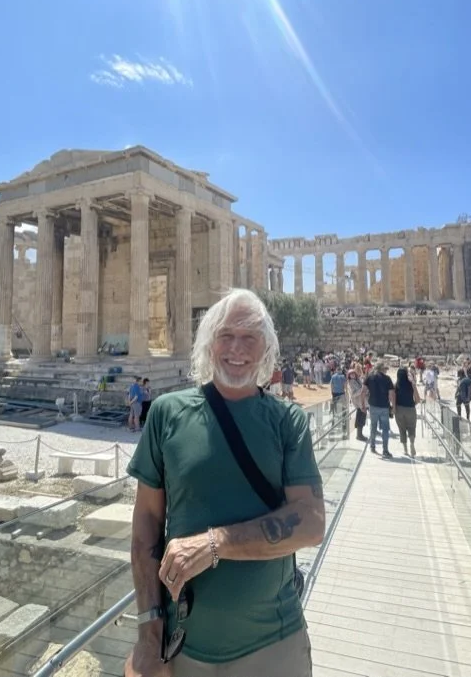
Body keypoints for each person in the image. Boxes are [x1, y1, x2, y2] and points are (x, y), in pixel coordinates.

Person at [125, 289, 324, 677]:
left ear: (266, 348)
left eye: (250, 337)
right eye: (226, 335)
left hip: (273, 643)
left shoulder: (288, 422)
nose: (237, 348)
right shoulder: (167, 414)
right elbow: (145, 525)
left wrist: (215, 544)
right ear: (208, 343)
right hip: (183, 643)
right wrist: (148, 633)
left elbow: (312, 522)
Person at [362, 363, 394, 458]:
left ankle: (372, 446)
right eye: (385, 368)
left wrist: (363, 405)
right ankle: (385, 450)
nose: (386, 370)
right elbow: (392, 394)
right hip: (384, 407)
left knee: (373, 426)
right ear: (382, 369)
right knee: (385, 429)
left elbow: (362, 391)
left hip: (373, 406)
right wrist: (393, 407)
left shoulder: (369, 378)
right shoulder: (387, 379)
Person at [393, 367, 420, 457]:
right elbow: (417, 399)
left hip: (399, 409)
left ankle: (405, 449)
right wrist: (413, 404)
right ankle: (412, 443)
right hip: (410, 409)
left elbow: (393, 398)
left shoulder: (396, 385)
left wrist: (394, 408)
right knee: (412, 428)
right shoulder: (411, 384)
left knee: (402, 429)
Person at [347, 367, 367, 441]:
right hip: (358, 403)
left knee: (362, 419)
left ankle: (360, 434)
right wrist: (362, 390)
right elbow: (353, 394)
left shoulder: (357, 380)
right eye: (351, 374)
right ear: (349, 376)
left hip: (362, 402)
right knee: (360, 419)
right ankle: (359, 435)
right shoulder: (351, 382)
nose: (352, 375)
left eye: (353, 373)